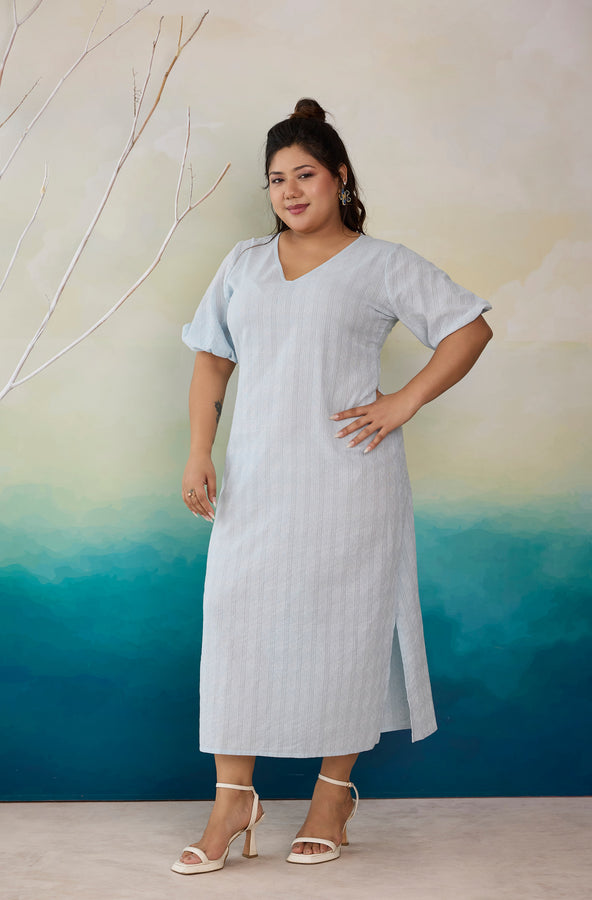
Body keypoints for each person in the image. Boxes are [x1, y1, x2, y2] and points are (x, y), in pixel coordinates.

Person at [173, 98, 492, 874]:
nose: (289, 191)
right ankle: (233, 802)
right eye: (276, 179)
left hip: (350, 482)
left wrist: (404, 401)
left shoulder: (381, 264)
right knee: (236, 626)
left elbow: (469, 327)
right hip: (256, 481)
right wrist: (199, 451)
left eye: (305, 174)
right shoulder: (244, 264)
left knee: (347, 629)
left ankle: (331, 794)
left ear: (340, 177)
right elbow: (213, 358)